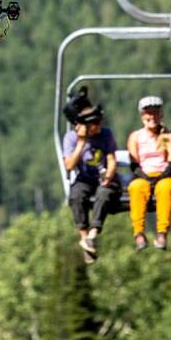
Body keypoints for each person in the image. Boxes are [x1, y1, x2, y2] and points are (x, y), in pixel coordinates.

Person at [62, 87, 120, 264]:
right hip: (85, 178)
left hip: (104, 177)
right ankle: (84, 236)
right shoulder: (71, 138)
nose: (99, 126)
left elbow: (111, 159)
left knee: (104, 193)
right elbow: (69, 166)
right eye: (95, 124)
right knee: (76, 195)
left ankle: (92, 235)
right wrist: (81, 143)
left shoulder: (106, 134)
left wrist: (108, 175)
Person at [126, 95, 171, 250]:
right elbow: (134, 163)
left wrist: (161, 176)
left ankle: (162, 233)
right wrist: (145, 177)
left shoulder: (168, 136)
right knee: (136, 188)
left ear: (161, 114)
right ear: (142, 116)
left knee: (165, 189)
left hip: (164, 175)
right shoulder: (135, 136)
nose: (152, 117)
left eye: (155, 113)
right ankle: (139, 233)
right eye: (148, 113)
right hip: (143, 175)